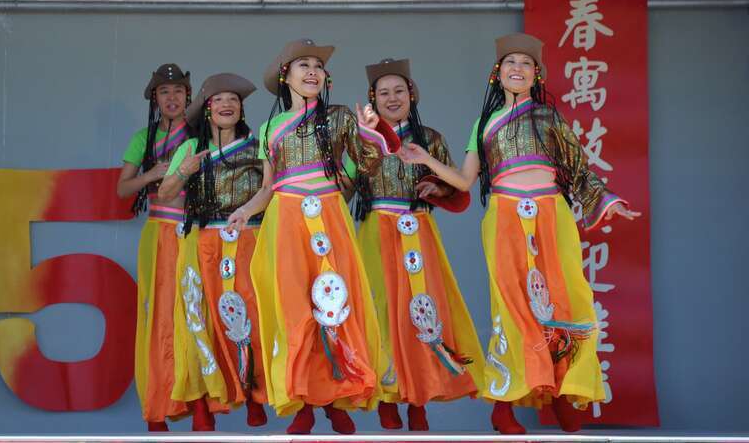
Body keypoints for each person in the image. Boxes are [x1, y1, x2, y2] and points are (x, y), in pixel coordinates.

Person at [398, 33, 640, 434]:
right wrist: (425, 159)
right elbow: (463, 180)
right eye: (510, 62)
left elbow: (578, 169)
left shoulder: (548, 118)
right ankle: (503, 403)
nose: (517, 69)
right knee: (512, 308)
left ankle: (563, 393)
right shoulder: (484, 123)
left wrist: (609, 201)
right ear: (498, 73)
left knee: (563, 300)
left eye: (526, 64)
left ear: (536, 75)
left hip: (550, 213)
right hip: (505, 215)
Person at [225, 38, 400, 435]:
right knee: (295, 309)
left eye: (318, 67)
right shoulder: (270, 127)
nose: (312, 72)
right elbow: (270, 187)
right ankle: (302, 397)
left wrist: (373, 132)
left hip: (329, 214)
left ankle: (338, 397)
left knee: (336, 303)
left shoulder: (339, 117)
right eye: (303, 65)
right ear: (286, 75)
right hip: (285, 220)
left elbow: (371, 162)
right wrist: (245, 210)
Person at [353, 58, 486, 431]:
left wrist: (436, 187)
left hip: (417, 228)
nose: (392, 98)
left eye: (399, 91)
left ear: (411, 95)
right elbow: (346, 182)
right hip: (374, 228)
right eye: (384, 93)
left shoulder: (430, 139)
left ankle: (420, 396)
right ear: (372, 100)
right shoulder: (362, 138)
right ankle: (386, 394)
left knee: (422, 309)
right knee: (379, 310)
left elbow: (457, 191)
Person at [117, 64, 224, 431]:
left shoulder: (201, 134)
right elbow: (123, 189)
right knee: (160, 316)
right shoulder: (142, 139)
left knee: (198, 311)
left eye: (179, 91)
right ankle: (158, 406)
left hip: (196, 230)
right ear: (154, 98)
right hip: (159, 231)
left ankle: (201, 404)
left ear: (188, 96)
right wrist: (153, 174)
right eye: (165, 92)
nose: (173, 98)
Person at [158, 72, 268, 427]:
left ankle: (254, 393)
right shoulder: (190, 149)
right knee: (198, 319)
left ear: (241, 110)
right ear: (207, 110)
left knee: (251, 317)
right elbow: (164, 193)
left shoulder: (257, 145)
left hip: (248, 238)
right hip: (202, 241)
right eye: (219, 100)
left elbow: (274, 189)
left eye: (233, 101)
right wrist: (183, 172)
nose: (226, 105)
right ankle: (203, 404)